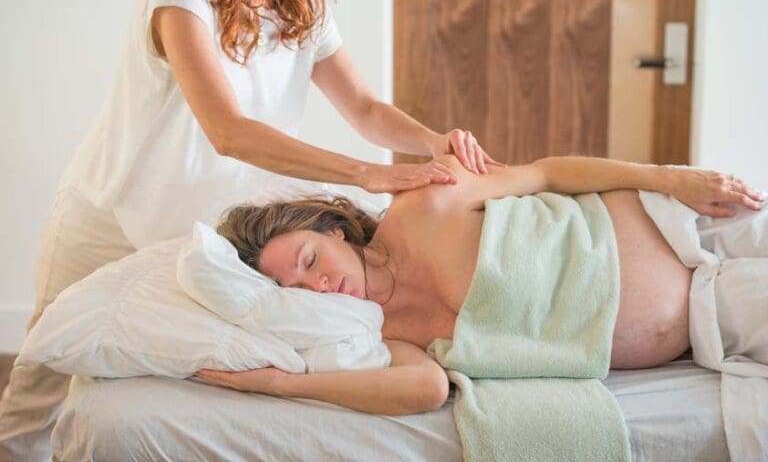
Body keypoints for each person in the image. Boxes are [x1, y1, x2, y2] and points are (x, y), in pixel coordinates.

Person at [0, 0, 498, 458]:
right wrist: (365, 172)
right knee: (43, 373)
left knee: (174, 367)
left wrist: (431, 141)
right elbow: (227, 131)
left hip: (204, 230)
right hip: (107, 207)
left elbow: (364, 108)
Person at [195, 154, 767, 416]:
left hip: (686, 222)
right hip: (708, 309)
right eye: (294, 287)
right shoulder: (383, 336)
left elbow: (544, 173)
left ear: (338, 230)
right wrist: (278, 387)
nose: (317, 284)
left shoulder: (421, 203)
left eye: (310, 257)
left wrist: (666, 177)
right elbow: (426, 392)